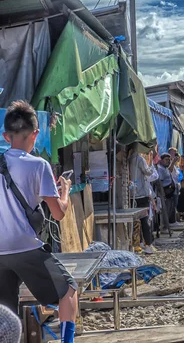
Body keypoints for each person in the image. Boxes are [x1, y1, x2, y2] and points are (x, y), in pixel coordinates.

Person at [0, 101, 77, 343]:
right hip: (25, 246)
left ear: (5, 136)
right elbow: (58, 214)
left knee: (6, 311)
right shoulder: (39, 165)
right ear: (35, 133)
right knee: (68, 290)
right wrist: (64, 191)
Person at [129, 149, 157, 254]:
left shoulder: (128, 159)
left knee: (136, 221)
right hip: (141, 193)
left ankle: (138, 243)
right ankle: (148, 245)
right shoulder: (139, 159)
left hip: (132, 194)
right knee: (145, 221)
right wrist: (150, 162)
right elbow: (148, 172)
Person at [158, 153, 177, 232]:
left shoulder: (165, 168)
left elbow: (170, 170)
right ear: (161, 160)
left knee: (169, 210)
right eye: (166, 160)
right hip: (165, 192)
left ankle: (167, 225)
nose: (168, 161)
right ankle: (164, 227)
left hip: (170, 193)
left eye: (169, 160)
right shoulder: (160, 169)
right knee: (165, 211)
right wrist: (163, 194)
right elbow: (160, 183)